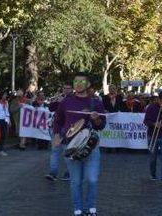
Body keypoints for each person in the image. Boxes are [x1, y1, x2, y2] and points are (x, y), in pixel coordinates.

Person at [53, 72, 106, 216]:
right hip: (71, 147)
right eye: (75, 81)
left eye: (82, 82)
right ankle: (77, 209)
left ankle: (91, 208)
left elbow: (101, 126)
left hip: (92, 147)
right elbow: (57, 121)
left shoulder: (96, 103)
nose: (78, 84)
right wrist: (57, 136)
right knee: (76, 182)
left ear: (88, 85)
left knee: (92, 180)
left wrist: (96, 120)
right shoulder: (65, 102)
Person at [45, 84, 73, 181]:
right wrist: (55, 100)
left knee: (67, 152)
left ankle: (68, 173)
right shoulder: (60, 98)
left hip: (68, 129)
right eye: (64, 88)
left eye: (68, 88)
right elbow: (51, 108)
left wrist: (63, 102)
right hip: (57, 128)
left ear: (72, 89)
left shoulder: (73, 99)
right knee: (55, 151)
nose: (66, 90)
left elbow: (71, 111)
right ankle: (53, 173)